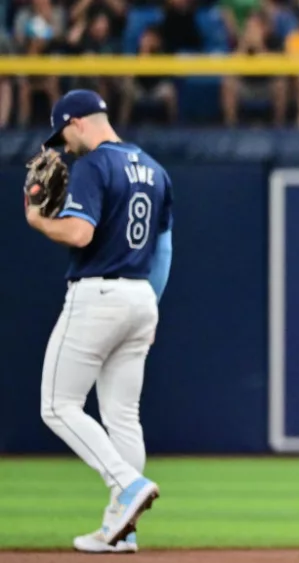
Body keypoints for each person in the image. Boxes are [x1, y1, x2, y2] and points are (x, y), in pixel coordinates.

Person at [24, 89, 172, 554]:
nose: (64, 146)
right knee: (122, 415)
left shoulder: (95, 165)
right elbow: (164, 249)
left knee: (56, 404)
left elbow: (79, 232)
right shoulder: (155, 169)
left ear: (79, 121)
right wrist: (152, 301)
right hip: (141, 296)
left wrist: (37, 220)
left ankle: (127, 484)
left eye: (64, 132)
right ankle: (119, 529)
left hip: (98, 295)